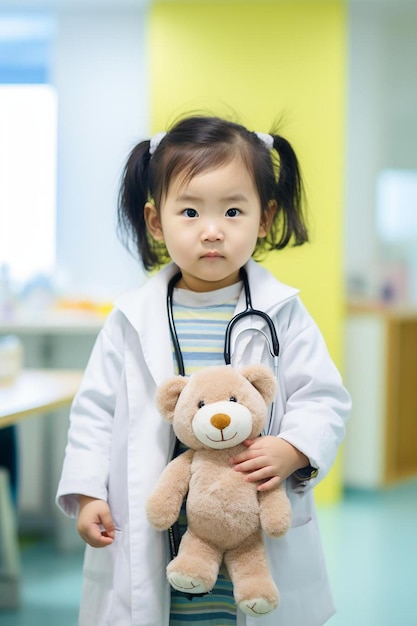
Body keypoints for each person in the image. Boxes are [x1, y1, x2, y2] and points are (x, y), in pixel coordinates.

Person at [56, 115, 351, 626]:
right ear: (156, 222)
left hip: (251, 520)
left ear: (265, 219)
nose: (212, 230)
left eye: (233, 211)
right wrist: (87, 493)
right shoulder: (131, 319)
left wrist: (294, 448)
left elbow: (323, 397)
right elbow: (94, 414)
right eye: (189, 211)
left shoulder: (283, 313)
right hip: (163, 526)